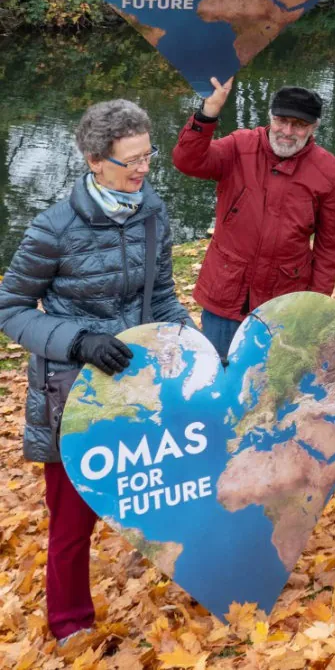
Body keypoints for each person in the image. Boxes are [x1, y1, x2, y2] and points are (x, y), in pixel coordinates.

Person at [0, 100, 192, 644]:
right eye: (129, 161)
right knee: (70, 522)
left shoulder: (153, 211)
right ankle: (70, 626)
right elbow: (10, 309)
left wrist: (190, 342)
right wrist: (78, 341)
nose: (141, 170)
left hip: (141, 384)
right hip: (72, 395)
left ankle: (176, 577)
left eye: (147, 156)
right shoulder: (52, 228)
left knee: (162, 489)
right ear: (93, 161)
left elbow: (163, 297)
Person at [172, 79, 335, 361]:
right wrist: (208, 112)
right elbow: (187, 161)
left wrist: (314, 303)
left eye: (299, 125)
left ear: (314, 127)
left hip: (283, 302)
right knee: (220, 375)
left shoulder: (327, 170)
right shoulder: (239, 146)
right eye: (281, 121)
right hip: (225, 293)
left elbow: (329, 246)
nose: (288, 132)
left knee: (268, 385)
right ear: (270, 118)